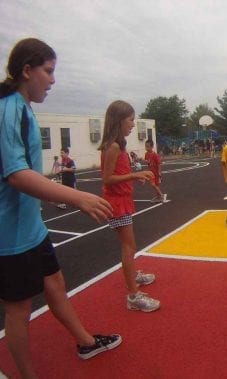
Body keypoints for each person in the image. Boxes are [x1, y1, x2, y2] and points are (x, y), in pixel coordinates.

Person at [0, 38, 121, 378]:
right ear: (27, 71)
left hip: (31, 227)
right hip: (10, 234)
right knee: (18, 309)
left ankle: (84, 341)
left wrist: (47, 195)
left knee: (55, 282)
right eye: (48, 71)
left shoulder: (23, 108)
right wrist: (76, 197)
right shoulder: (9, 108)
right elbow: (16, 175)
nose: (53, 80)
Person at [99, 100, 160, 313]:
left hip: (122, 201)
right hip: (117, 204)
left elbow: (117, 174)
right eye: (131, 119)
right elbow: (107, 179)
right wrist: (134, 175)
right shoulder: (113, 146)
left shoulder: (118, 144)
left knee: (129, 246)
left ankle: (133, 275)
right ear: (119, 120)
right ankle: (133, 295)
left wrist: (134, 175)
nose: (133, 124)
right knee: (129, 247)